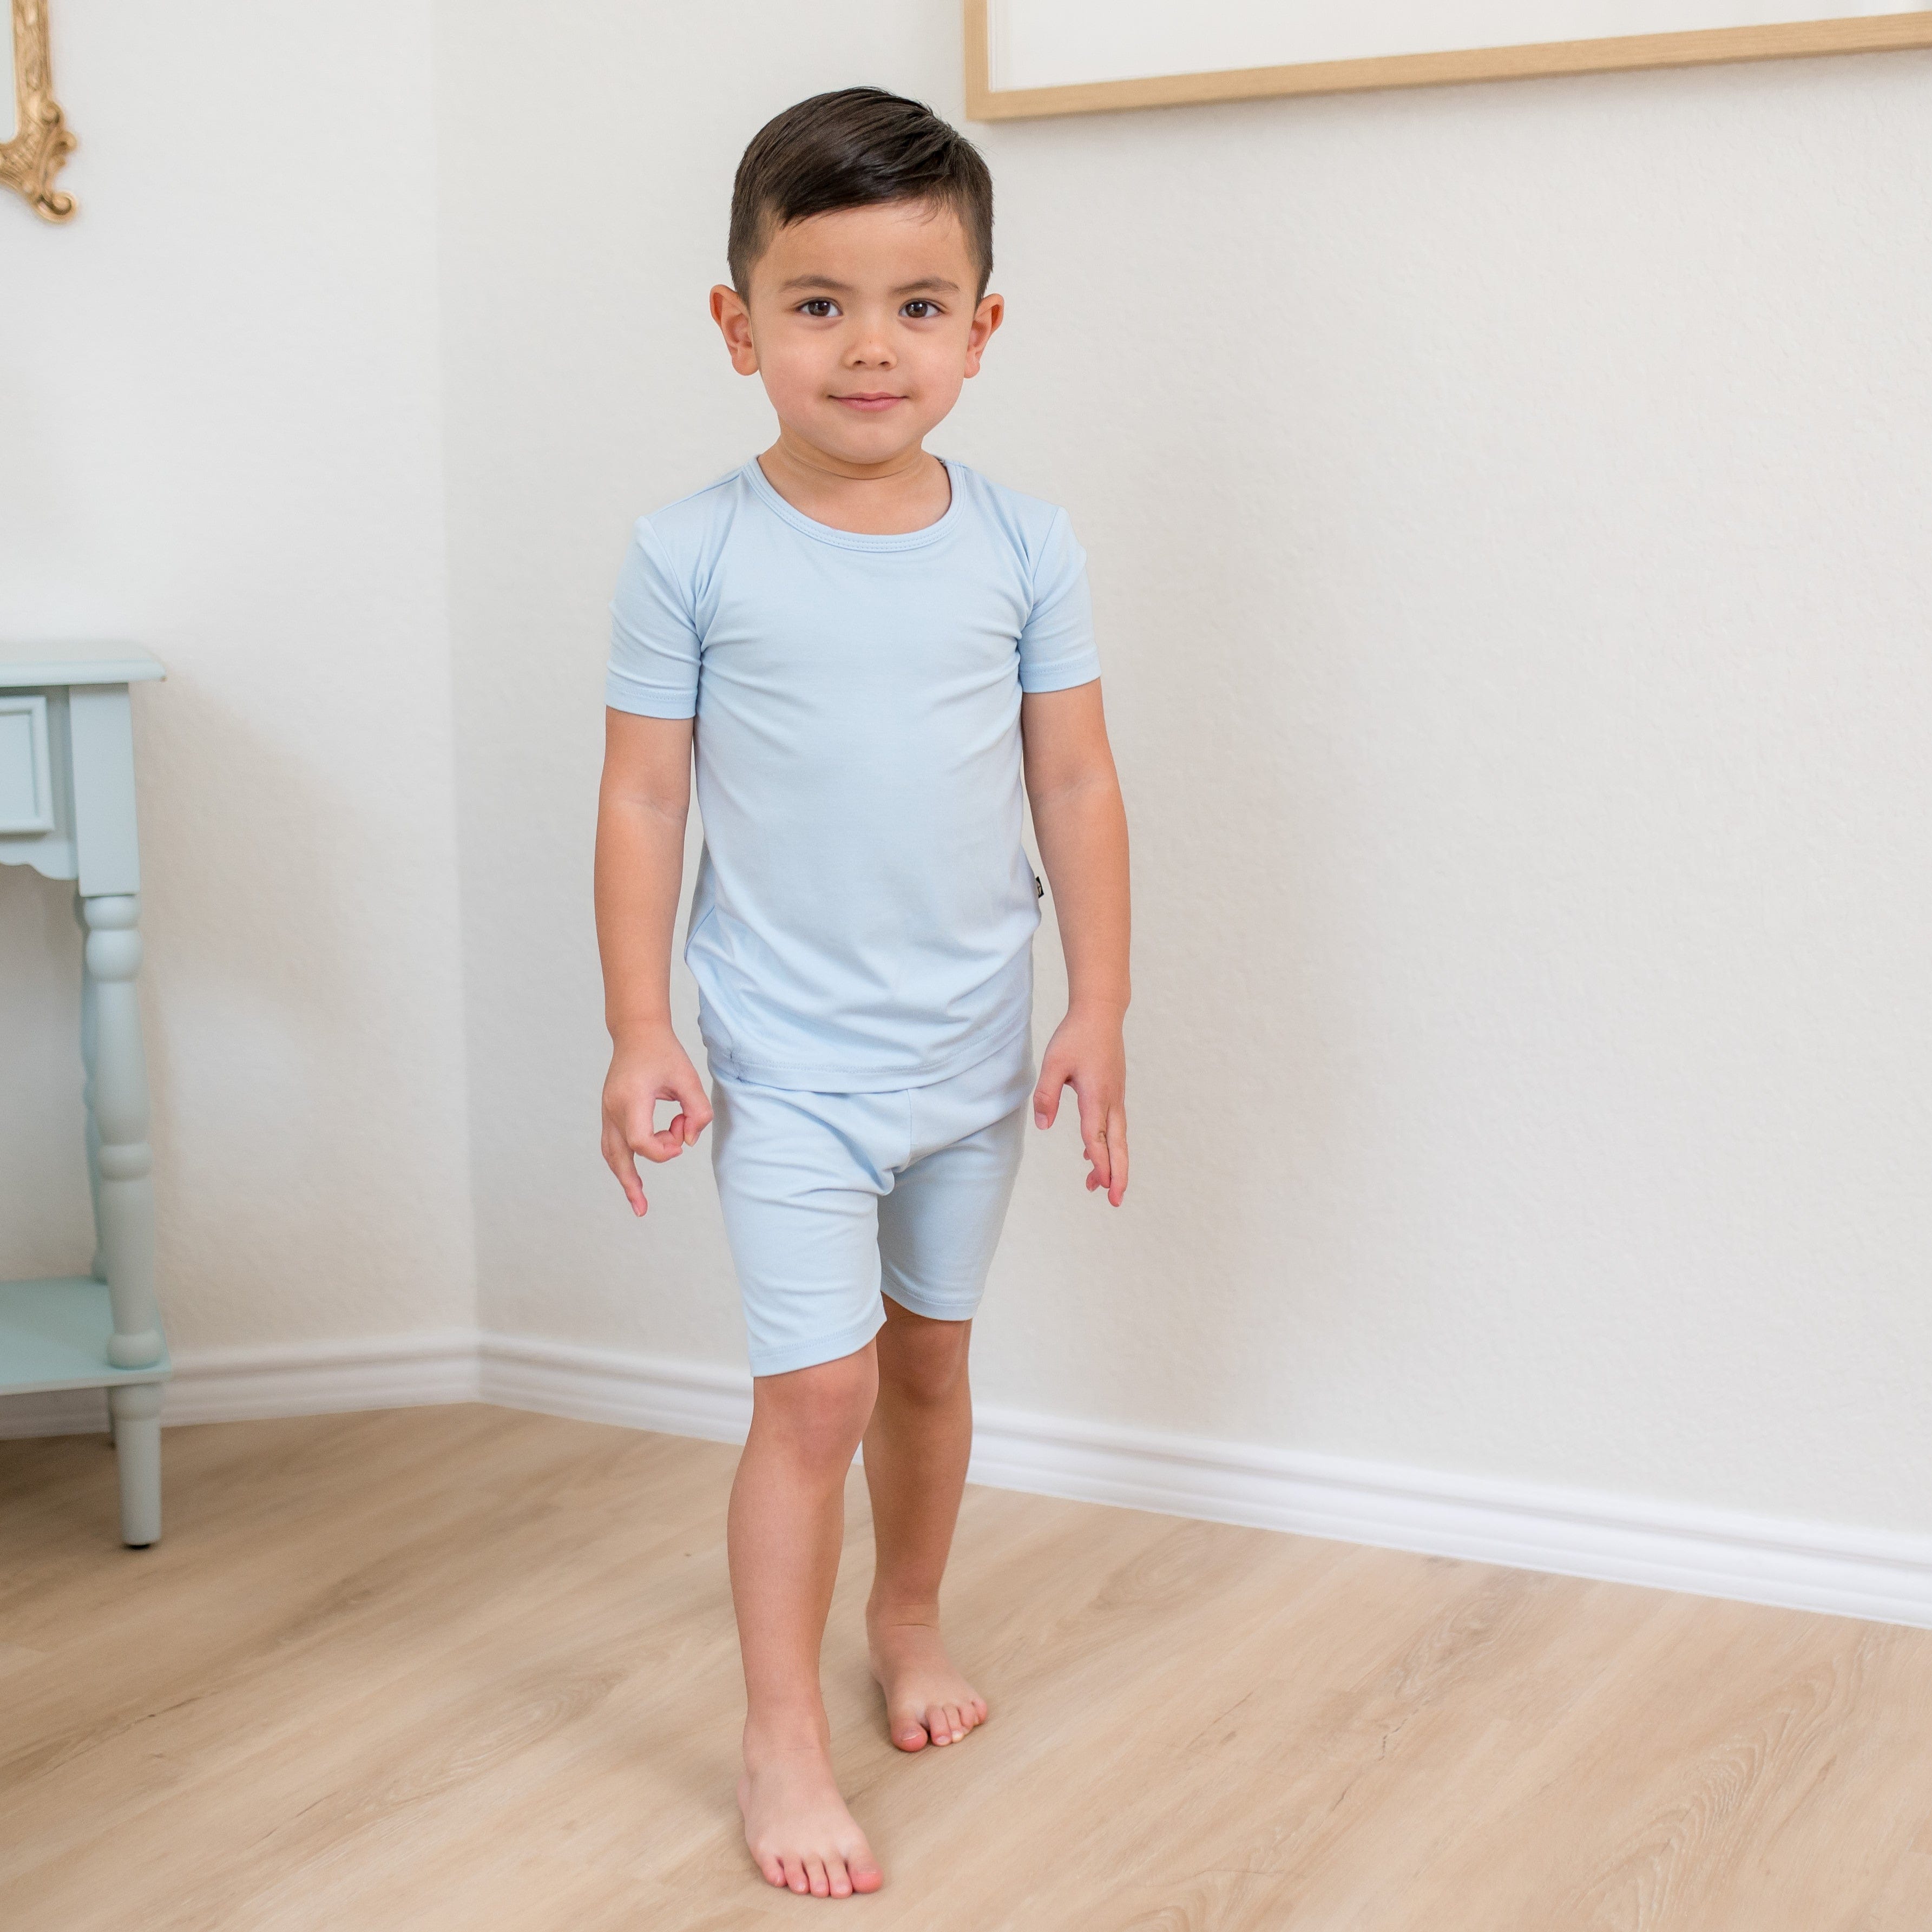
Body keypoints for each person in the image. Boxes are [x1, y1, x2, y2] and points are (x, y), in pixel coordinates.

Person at [593, 85, 1131, 1902]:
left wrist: (1097, 1000)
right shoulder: (693, 550)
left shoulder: (1024, 544)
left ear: (981, 330)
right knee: (810, 1395)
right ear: (737, 323)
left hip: (972, 1052)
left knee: (928, 1364)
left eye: (915, 303)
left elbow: (1074, 782)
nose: (867, 345)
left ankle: (905, 1619)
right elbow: (643, 794)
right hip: (788, 1062)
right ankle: (778, 1731)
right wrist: (641, 1022)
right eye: (816, 302)